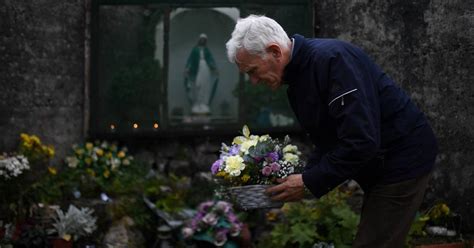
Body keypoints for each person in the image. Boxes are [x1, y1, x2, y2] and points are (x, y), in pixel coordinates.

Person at [225, 15, 438, 247]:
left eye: (253, 71)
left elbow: (361, 141)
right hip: (381, 161)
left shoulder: (333, 61)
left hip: (402, 159)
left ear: (275, 51)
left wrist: (309, 181)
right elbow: (329, 140)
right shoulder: (298, 80)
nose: (254, 81)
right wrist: (302, 178)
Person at [184, 33, 219, 115]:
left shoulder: (207, 50)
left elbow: (210, 60)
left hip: (205, 68)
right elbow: (190, 60)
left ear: (205, 41)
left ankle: (204, 103)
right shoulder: (195, 49)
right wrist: (187, 68)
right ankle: (197, 103)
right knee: (197, 85)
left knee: (204, 85)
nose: (202, 41)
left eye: (204, 40)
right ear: (199, 40)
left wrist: (214, 68)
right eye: (201, 39)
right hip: (196, 69)